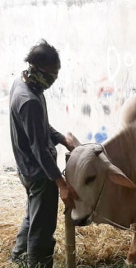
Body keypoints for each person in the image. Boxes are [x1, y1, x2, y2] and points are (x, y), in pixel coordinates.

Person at [9, 39, 78, 268]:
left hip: (28, 168)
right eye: (51, 74)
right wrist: (62, 185)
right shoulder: (28, 100)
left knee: (33, 216)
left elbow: (40, 127)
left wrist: (63, 139)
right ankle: (38, 263)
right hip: (40, 173)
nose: (53, 79)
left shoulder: (27, 85)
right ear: (34, 67)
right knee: (43, 224)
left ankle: (19, 257)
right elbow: (39, 149)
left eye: (56, 74)